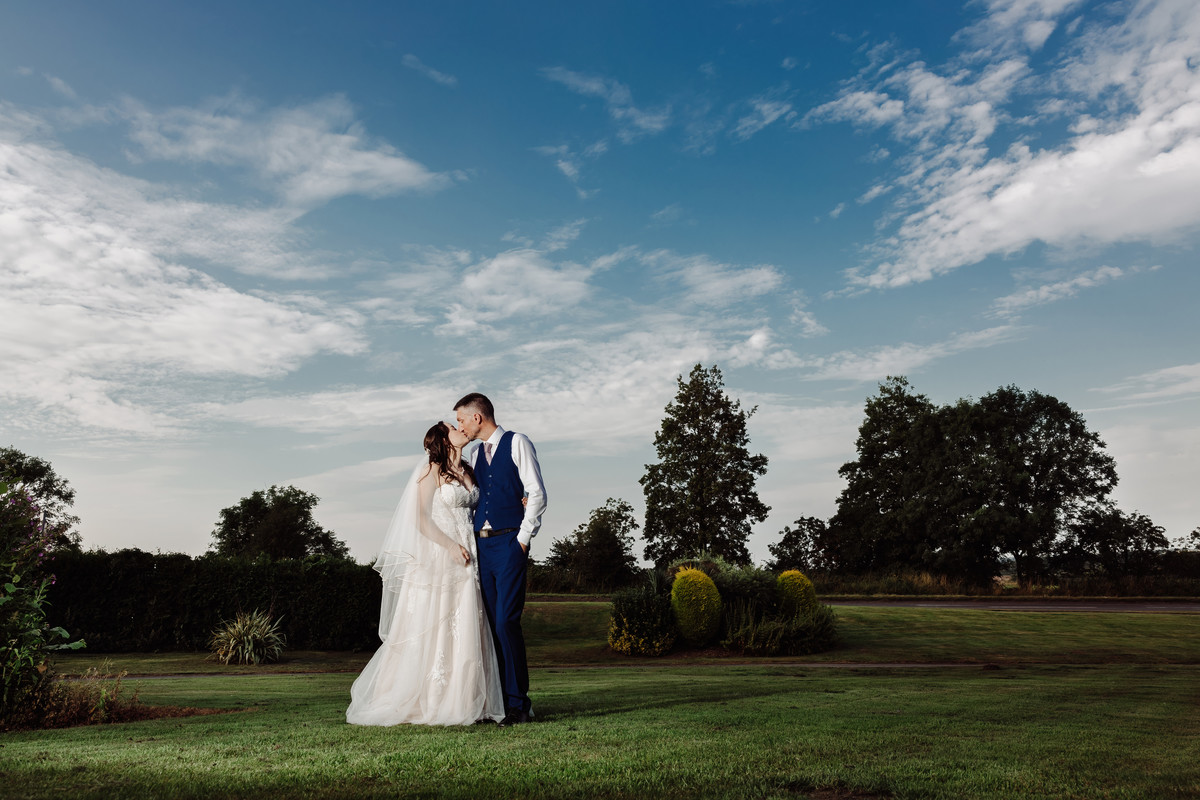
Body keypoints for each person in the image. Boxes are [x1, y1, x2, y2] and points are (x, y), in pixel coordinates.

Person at [346, 422, 505, 727]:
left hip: (471, 555)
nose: (459, 427)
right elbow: (419, 519)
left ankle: (469, 699)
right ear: (445, 440)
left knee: (467, 620)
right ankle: (430, 699)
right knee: (435, 621)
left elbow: (483, 506)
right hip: (442, 555)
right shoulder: (431, 471)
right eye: (452, 426)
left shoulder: (470, 471)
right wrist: (449, 546)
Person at [454, 392, 546, 727]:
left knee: (507, 622)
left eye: (462, 419)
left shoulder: (517, 442)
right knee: (492, 627)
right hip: (482, 548)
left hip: (509, 542)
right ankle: (500, 705)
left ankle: (519, 705)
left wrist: (523, 539)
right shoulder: (476, 453)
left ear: (477, 417)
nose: (460, 426)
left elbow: (536, 492)